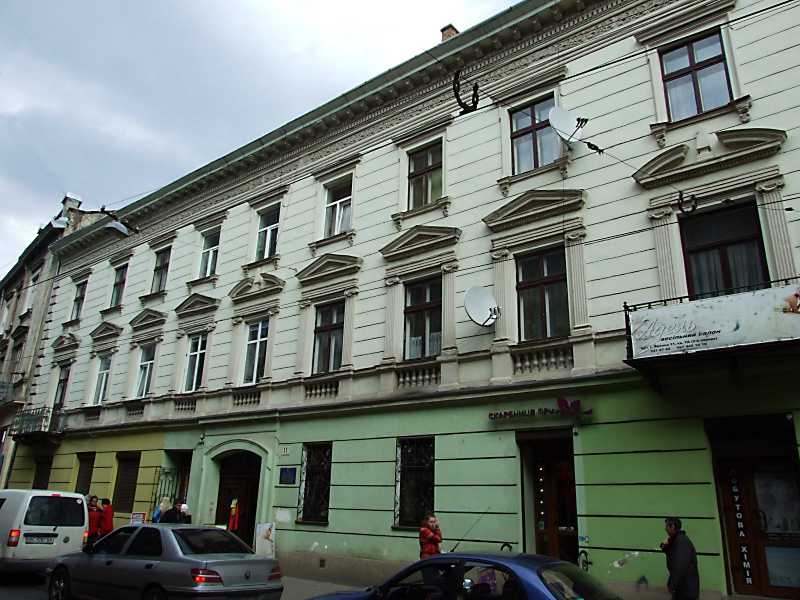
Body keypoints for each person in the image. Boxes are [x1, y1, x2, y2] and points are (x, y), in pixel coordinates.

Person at [660, 517, 700, 600]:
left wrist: (672, 584)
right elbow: (671, 554)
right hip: (683, 588)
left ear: (672, 526)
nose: (665, 529)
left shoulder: (681, 541)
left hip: (686, 590)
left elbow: (680, 566)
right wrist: (664, 545)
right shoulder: (677, 540)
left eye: (667, 526)